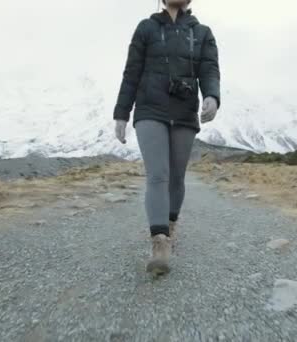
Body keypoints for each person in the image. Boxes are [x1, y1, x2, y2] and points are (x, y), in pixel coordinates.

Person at [113, 0, 220, 275]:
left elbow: (209, 69)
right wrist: (122, 113)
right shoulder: (146, 28)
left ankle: (171, 225)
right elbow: (131, 72)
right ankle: (159, 242)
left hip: (184, 110)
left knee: (176, 177)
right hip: (150, 108)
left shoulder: (203, 33)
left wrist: (211, 96)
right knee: (157, 175)